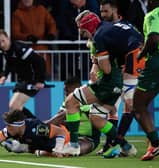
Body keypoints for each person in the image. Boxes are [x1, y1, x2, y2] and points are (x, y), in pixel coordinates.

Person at [63, 10, 144, 156]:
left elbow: (106, 69)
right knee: (96, 118)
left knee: (71, 102)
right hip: (121, 77)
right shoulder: (107, 28)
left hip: (109, 82)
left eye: (82, 30)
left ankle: (73, 145)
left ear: (89, 27)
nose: (82, 33)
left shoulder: (99, 36)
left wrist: (98, 62)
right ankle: (126, 147)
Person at [89, 0, 144, 157]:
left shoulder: (121, 25)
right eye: (101, 12)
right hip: (120, 68)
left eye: (105, 11)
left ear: (115, 10)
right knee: (114, 107)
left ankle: (122, 142)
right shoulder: (108, 28)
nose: (103, 15)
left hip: (131, 62)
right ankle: (111, 143)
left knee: (130, 103)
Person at [133, 0, 159, 161]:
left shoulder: (153, 15)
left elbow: (154, 38)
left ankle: (155, 143)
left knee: (138, 106)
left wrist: (142, 53)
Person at [46, 77, 101, 156]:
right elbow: (58, 119)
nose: (65, 93)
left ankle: (71, 150)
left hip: (87, 139)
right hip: (67, 136)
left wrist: (45, 125)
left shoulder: (89, 102)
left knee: (77, 147)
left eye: (67, 90)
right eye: (64, 90)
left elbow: (61, 116)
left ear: (77, 88)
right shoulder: (67, 102)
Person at [0, 29, 46, 117]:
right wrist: (4, 76)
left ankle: (33, 126)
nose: (2, 44)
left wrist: (40, 80)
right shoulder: (7, 51)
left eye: (3, 41)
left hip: (32, 80)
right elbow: (9, 63)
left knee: (14, 106)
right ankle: (32, 126)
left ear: (8, 38)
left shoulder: (19, 49)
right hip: (23, 80)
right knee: (15, 107)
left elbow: (39, 61)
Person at [12, 0, 57, 77]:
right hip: (26, 50)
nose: (27, 0)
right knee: (27, 76)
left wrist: (51, 34)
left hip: (42, 49)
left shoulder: (41, 9)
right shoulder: (17, 13)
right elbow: (15, 33)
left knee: (45, 76)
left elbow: (51, 23)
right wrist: (27, 37)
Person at [0, 110, 67, 157]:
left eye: (9, 126)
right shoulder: (12, 130)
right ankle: (19, 147)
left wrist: (58, 149)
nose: (7, 128)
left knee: (42, 152)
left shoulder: (37, 129)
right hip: (42, 145)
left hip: (65, 141)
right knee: (19, 147)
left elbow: (61, 132)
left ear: (19, 126)